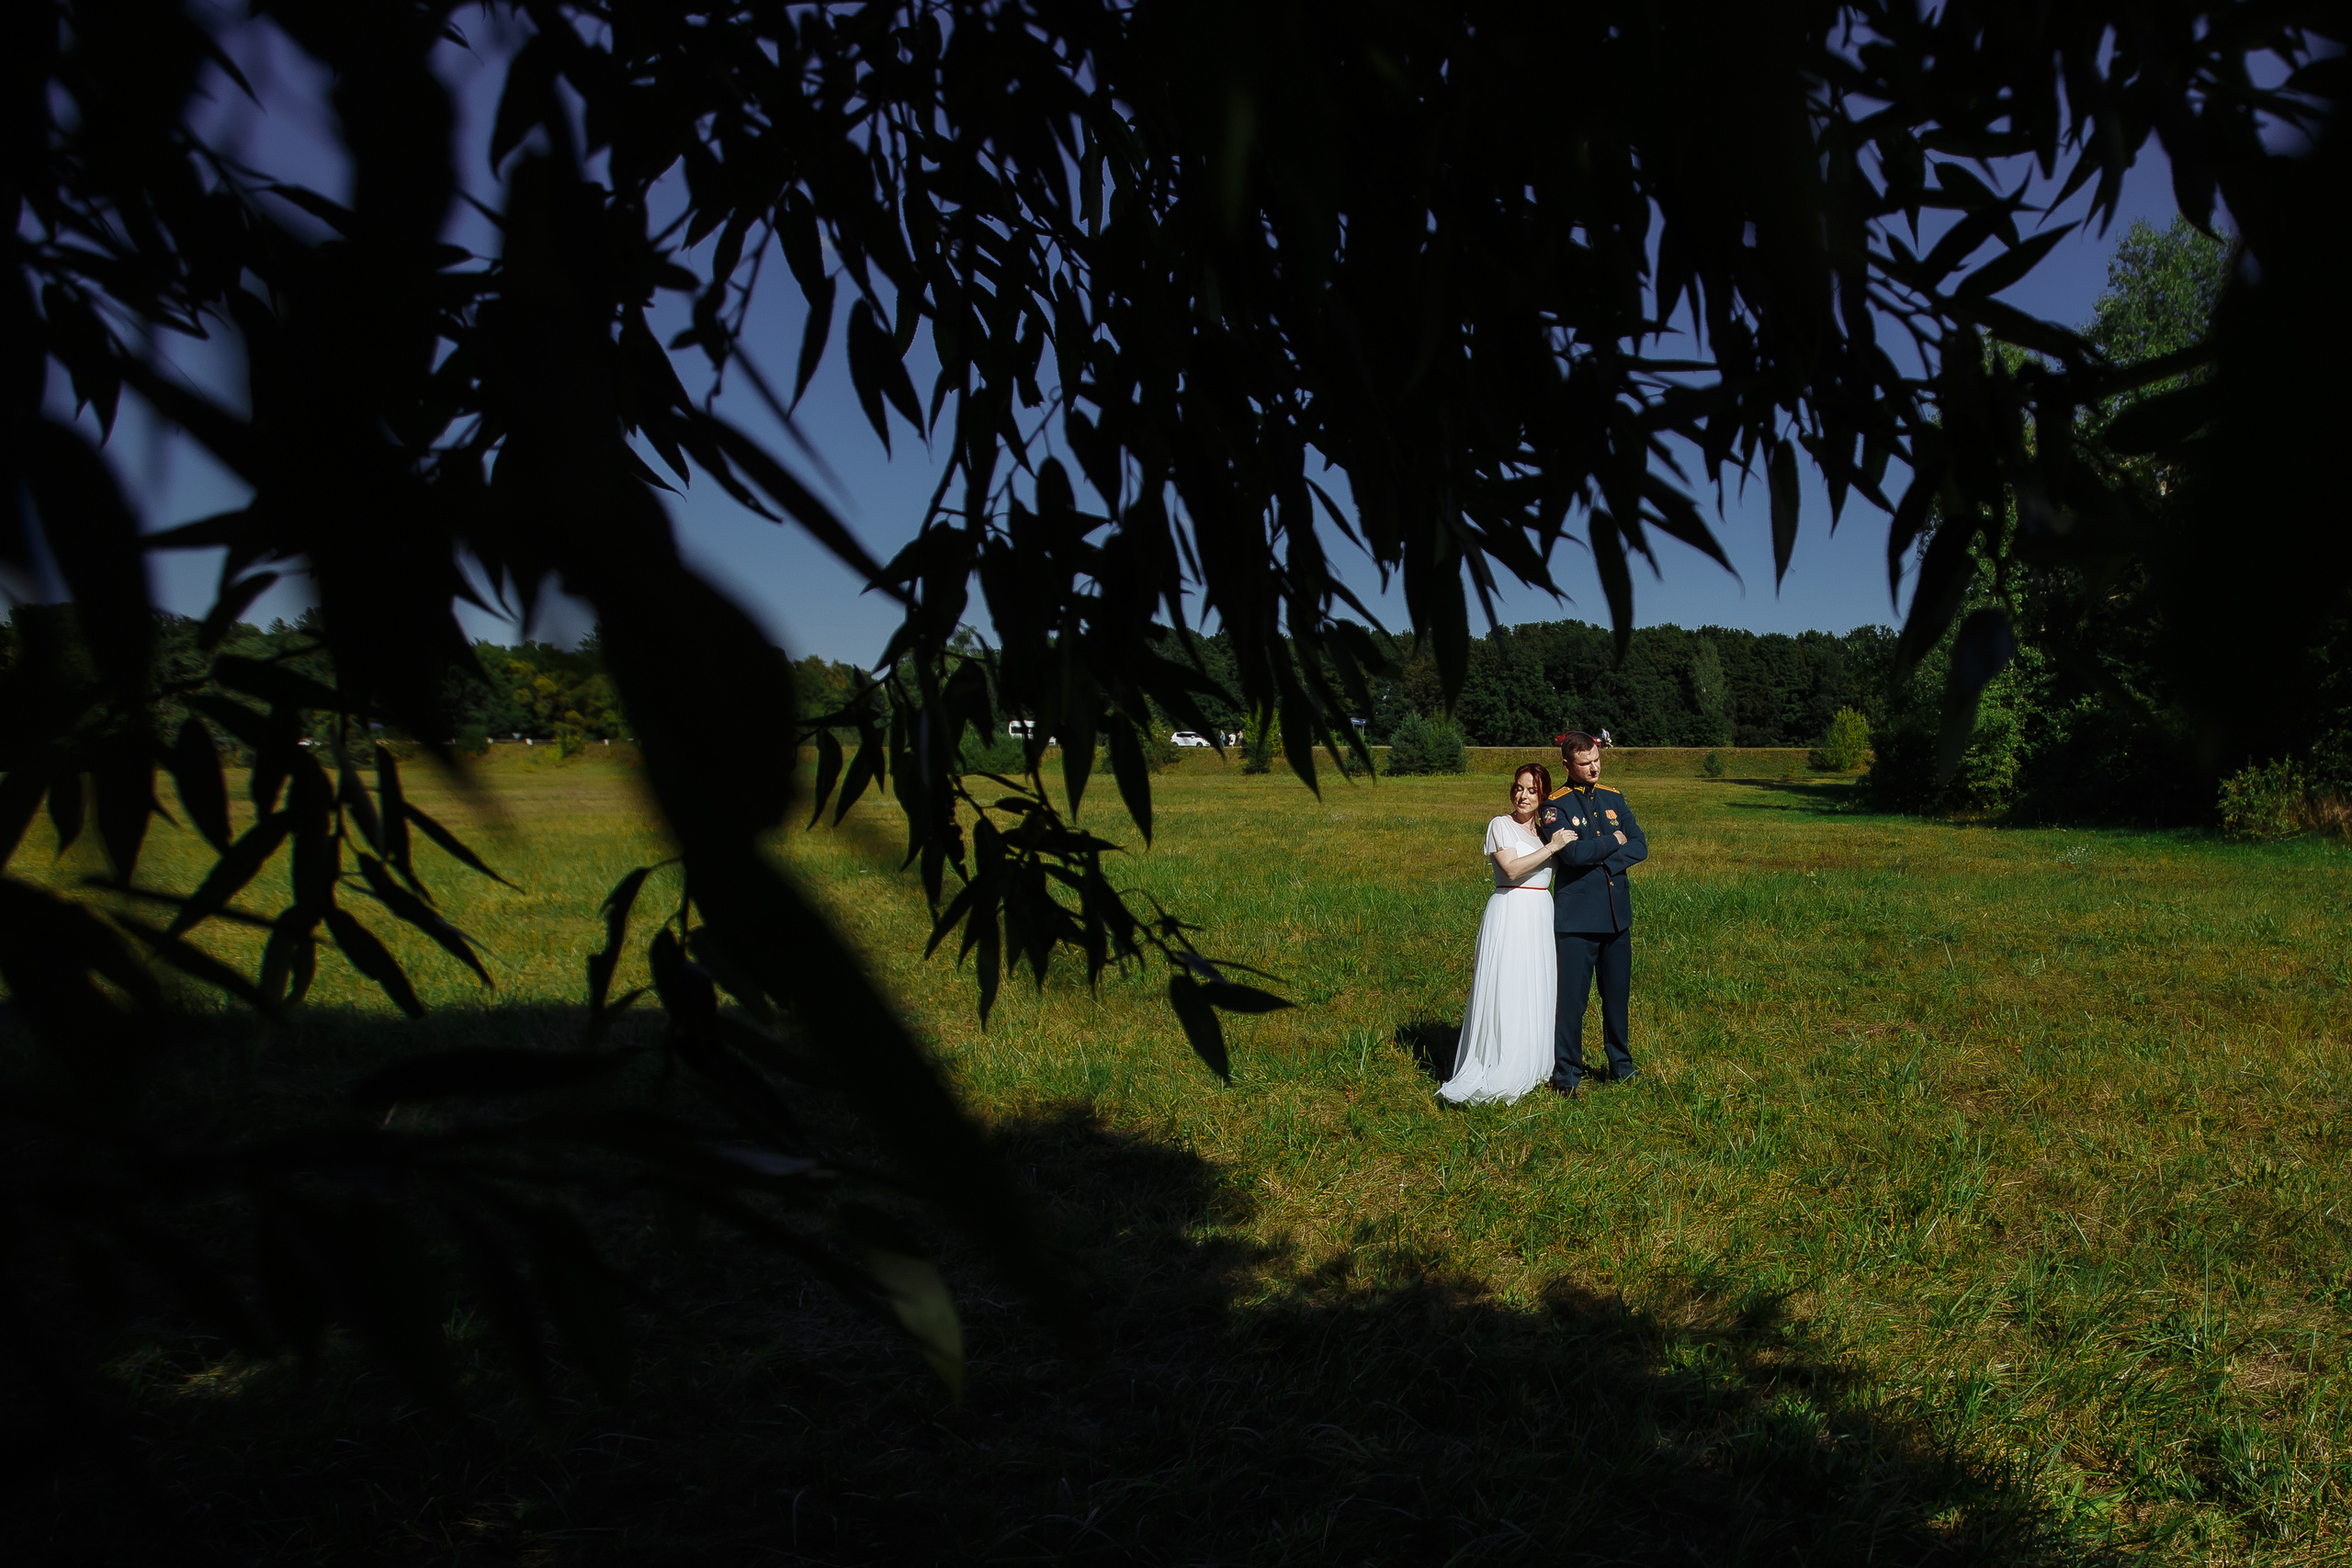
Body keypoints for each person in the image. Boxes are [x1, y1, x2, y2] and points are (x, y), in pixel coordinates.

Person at [1440, 763, 1573, 1104]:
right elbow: (1511, 870)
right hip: (1511, 910)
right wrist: (1553, 847)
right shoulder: (1500, 825)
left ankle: (1536, 1061)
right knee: (1508, 987)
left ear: (1544, 795)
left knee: (1536, 986)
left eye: (1532, 790)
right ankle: (1501, 1061)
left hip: (1540, 913)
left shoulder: (1544, 831)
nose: (1522, 796)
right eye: (1518, 788)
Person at [1536, 730, 1648, 1097]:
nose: (1594, 768)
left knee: (1617, 998)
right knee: (1572, 1002)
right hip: (1578, 919)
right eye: (1585, 764)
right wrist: (1614, 841)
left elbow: (1641, 845)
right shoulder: (1555, 806)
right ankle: (1567, 1074)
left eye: (1597, 760)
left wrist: (1602, 859)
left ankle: (1622, 1067)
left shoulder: (1614, 797)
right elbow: (1571, 855)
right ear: (1567, 765)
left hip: (1616, 916)